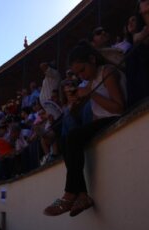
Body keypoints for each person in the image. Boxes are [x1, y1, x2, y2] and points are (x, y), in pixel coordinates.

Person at [44, 43, 126, 217]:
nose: (81, 75)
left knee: (72, 137)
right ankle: (81, 195)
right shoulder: (90, 81)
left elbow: (119, 108)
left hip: (113, 119)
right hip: (101, 121)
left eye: (82, 70)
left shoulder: (107, 72)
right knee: (67, 139)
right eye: (78, 73)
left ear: (92, 59)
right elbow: (80, 112)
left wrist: (91, 94)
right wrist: (73, 103)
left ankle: (70, 194)